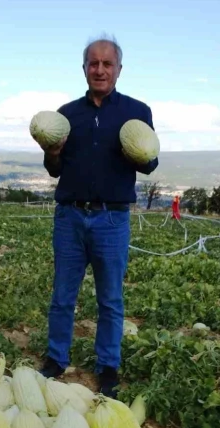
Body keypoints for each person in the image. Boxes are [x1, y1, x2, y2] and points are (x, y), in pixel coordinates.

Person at [31, 34, 159, 398]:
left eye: (107, 64)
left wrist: (138, 156)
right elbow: (54, 169)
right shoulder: (67, 114)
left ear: (119, 69)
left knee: (110, 300)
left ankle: (108, 367)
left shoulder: (137, 112)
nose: (100, 70)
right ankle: (56, 359)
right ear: (84, 68)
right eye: (93, 63)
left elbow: (150, 163)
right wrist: (52, 151)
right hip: (69, 217)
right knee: (62, 295)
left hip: (111, 220)